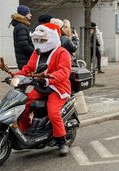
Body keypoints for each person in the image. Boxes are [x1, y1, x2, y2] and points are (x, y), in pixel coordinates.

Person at [12, 23, 72, 156]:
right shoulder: (37, 53)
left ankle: (61, 141)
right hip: (41, 87)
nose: (39, 42)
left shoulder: (62, 52)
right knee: (23, 105)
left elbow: (64, 72)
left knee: (53, 112)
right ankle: (25, 133)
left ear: (52, 38)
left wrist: (49, 79)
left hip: (57, 88)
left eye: (43, 40)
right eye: (37, 40)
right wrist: (15, 76)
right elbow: (28, 68)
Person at [10, 5, 34, 69]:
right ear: (24, 14)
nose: (31, 15)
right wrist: (34, 52)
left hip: (24, 59)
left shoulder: (21, 26)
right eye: (29, 13)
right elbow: (24, 44)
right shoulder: (21, 27)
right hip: (25, 60)